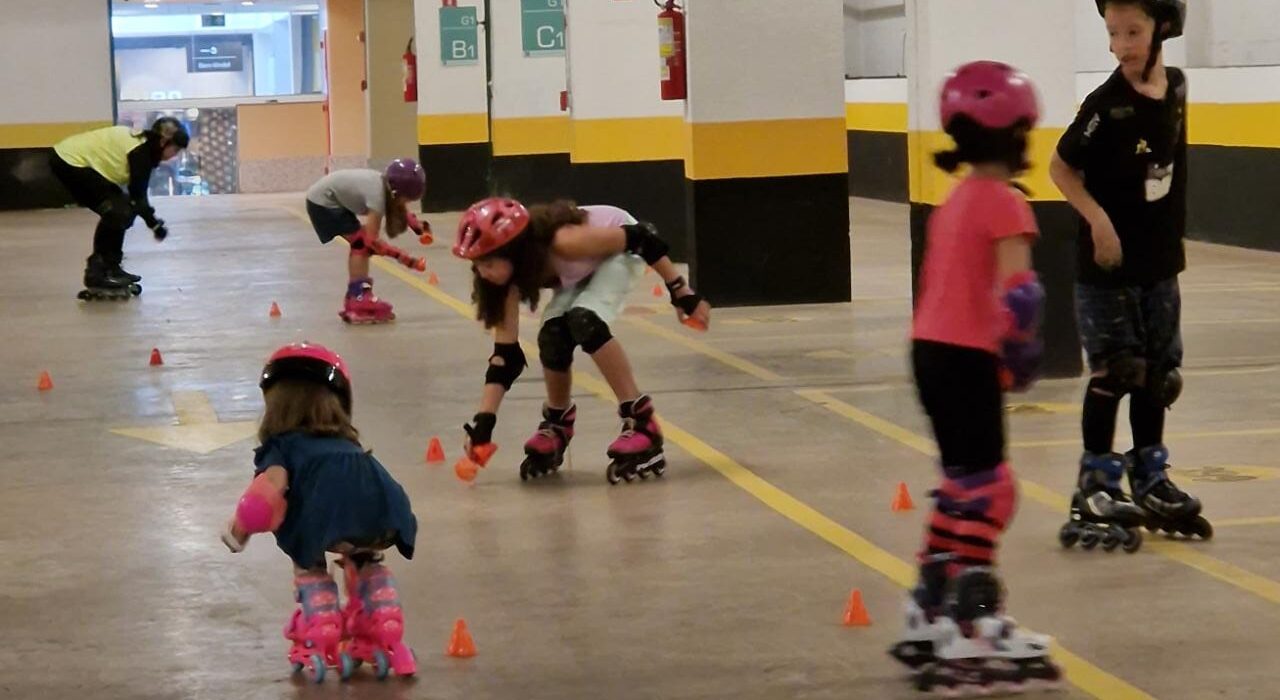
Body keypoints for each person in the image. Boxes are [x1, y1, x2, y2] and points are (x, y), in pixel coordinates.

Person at [887, 61, 1061, 693]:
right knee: (993, 492)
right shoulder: (1006, 203)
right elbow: (1021, 295)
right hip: (965, 357)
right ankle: (976, 620)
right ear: (1019, 135)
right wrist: (1020, 353)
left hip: (927, 351)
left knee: (960, 484)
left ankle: (928, 607)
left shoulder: (953, 200)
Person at [1049, 0, 1210, 547]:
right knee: (1118, 372)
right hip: (1108, 266)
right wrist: (1098, 223)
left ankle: (1150, 477)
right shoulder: (1106, 104)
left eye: (1133, 31)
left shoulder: (1179, 89)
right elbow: (1061, 166)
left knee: (1159, 375)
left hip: (1160, 261)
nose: (1119, 44)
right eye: (1113, 32)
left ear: (1165, 27)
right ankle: (1095, 483)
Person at [451, 197, 711, 484]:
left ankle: (641, 421)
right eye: (477, 265)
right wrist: (484, 424)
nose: (482, 273)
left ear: (515, 252)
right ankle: (558, 422)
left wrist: (680, 290)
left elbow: (643, 239)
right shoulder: (506, 280)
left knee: (584, 320)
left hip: (624, 247)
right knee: (552, 334)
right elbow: (505, 358)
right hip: (585, 267)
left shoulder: (565, 242)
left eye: (488, 263)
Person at [221, 342, 419, 681]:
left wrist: (238, 531)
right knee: (363, 554)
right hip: (386, 513)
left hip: (326, 519)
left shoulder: (281, 447)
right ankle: (382, 616)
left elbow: (263, 496)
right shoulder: (347, 443)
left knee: (303, 540)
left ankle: (322, 621)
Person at [50, 117, 189, 298]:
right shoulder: (141, 153)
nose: (174, 155)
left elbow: (135, 199)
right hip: (70, 162)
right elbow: (139, 197)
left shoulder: (143, 147)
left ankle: (111, 267)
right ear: (163, 141)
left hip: (71, 160)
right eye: (175, 149)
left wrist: (152, 222)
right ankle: (99, 273)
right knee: (119, 212)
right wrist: (154, 225)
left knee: (121, 210)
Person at [304, 160, 429, 323]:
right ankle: (359, 298)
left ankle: (354, 297)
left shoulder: (384, 185)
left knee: (360, 244)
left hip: (326, 199)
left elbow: (398, 206)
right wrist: (405, 259)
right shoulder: (377, 196)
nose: (406, 204)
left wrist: (417, 225)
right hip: (323, 203)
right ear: (398, 193)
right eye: (406, 199)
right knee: (361, 245)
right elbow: (372, 242)